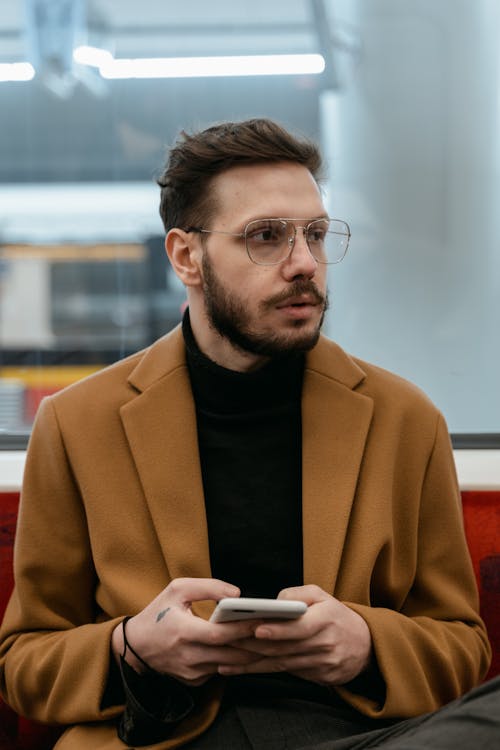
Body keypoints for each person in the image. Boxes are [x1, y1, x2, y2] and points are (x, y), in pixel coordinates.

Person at [0, 118, 497, 750]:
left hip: (353, 734)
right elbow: (23, 661)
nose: (304, 265)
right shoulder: (78, 422)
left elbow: (460, 643)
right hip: (169, 739)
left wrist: (367, 645)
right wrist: (134, 647)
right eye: (266, 237)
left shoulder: (404, 417)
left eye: (315, 235)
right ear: (186, 257)